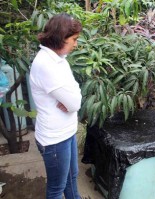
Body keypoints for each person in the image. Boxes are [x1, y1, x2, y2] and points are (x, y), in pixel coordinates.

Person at [29, 13, 82, 199]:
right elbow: (75, 103)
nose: (76, 44)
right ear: (61, 37)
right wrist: (72, 97)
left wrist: (72, 94)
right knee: (57, 188)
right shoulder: (46, 64)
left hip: (66, 132)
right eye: (74, 39)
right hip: (54, 139)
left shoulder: (59, 59)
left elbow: (75, 92)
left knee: (71, 178)